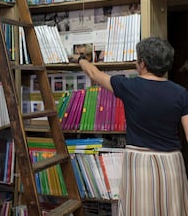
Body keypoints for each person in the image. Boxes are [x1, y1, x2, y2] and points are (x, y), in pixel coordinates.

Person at [72, 36, 188, 215]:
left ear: (142, 63)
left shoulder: (129, 86)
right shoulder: (181, 93)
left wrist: (80, 59)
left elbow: (94, 74)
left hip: (139, 162)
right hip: (171, 163)